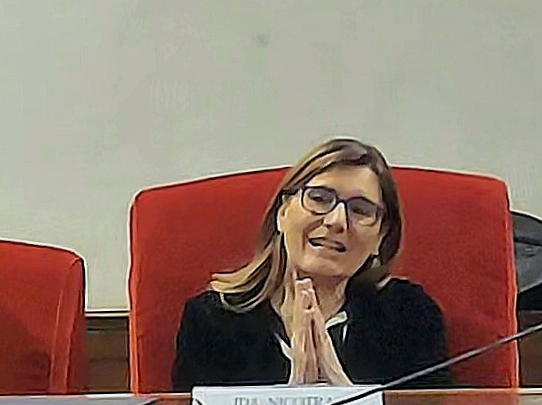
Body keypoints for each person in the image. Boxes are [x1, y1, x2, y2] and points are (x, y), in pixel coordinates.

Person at [171, 137, 451, 390]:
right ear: (282, 213)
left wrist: (341, 390)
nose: (337, 221)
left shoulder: (411, 317)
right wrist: (293, 402)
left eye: (360, 210)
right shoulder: (212, 320)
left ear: (381, 236)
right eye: (319, 198)